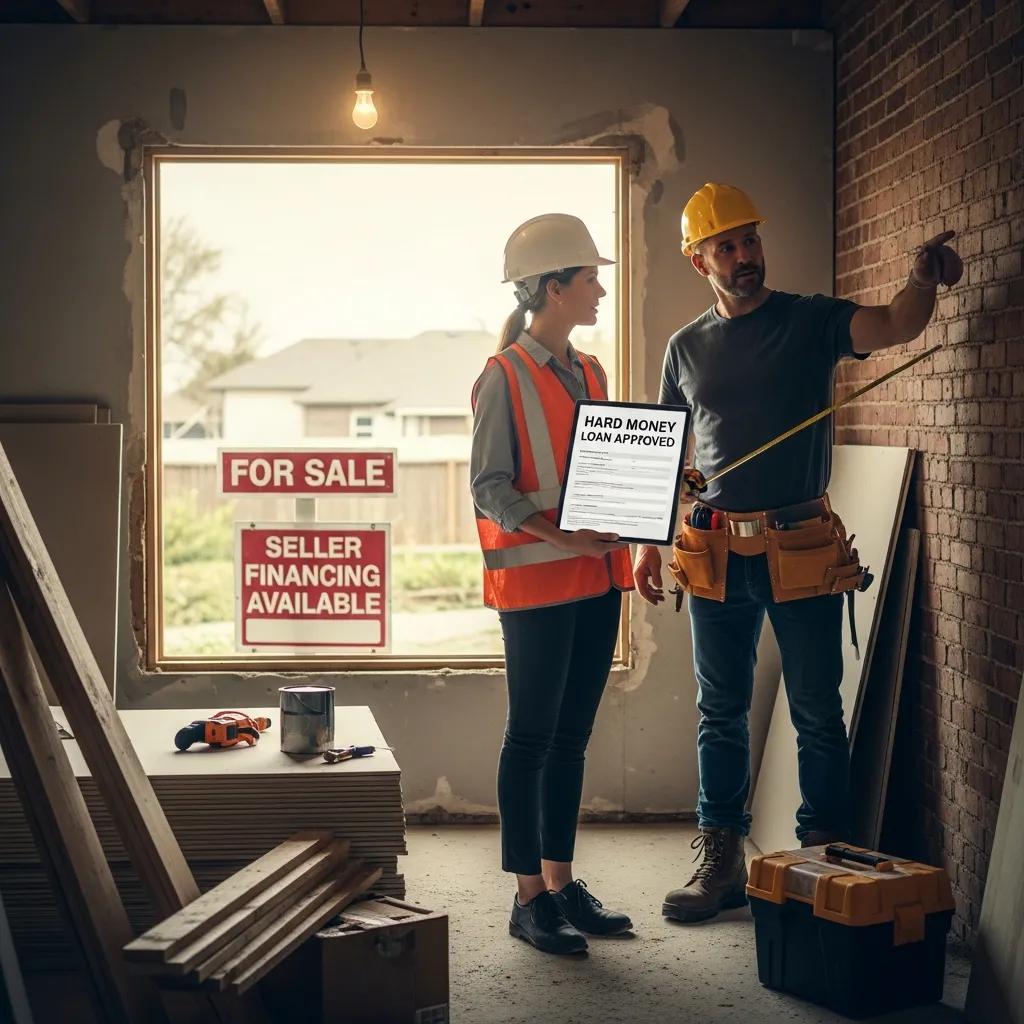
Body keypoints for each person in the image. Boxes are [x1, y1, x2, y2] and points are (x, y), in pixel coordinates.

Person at [633, 182, 961, 923]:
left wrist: (920, 279)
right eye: (727, 245)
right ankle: (720, 860)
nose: (745, 255)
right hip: (714, 552)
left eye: (750, 239)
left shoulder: (810, 321)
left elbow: (897, 325)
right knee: (718, 711)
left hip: (801, 548)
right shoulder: (685, 348)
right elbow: (662, 453)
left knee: (817, 709)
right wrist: (645, 546)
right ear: (698, 260)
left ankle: (825, 862)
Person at [470, 213, 636, 955]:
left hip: (598, 582)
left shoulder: (592, 371)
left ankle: (562, 883)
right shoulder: (502, 376)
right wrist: (562, 534)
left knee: (571, 738)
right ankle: (527, 898)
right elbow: (489, 487)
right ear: (554, 288)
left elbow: (598, 472)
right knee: (531, 737)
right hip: (538, 589)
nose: (601, 289)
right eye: (590, 277)